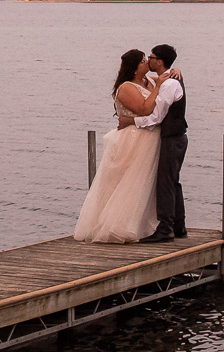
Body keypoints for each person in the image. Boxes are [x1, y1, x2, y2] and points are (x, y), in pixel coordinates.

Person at [72, 48, 173, 242]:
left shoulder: (150, 81)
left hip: (151, 138)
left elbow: (166, 81)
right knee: (127, 182)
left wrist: (175, 72)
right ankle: (117, 226)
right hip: (133, 139)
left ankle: (146, 225)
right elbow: (144, 109)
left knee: (145, 184)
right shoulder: (126, 87)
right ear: (135, 68)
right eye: (143, 61)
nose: (147, 64)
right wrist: (159, 88)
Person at [118, 43, 187, 242]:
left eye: (152, 57)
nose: (149, 60)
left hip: (172, 137)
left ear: (160, 61)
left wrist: (131, 121)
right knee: (172, 181)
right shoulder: (167, 80)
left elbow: (156, 117)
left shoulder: (168, 85)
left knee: (166, 183)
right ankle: (178, 226)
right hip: (174, 136)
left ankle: (166, 229)